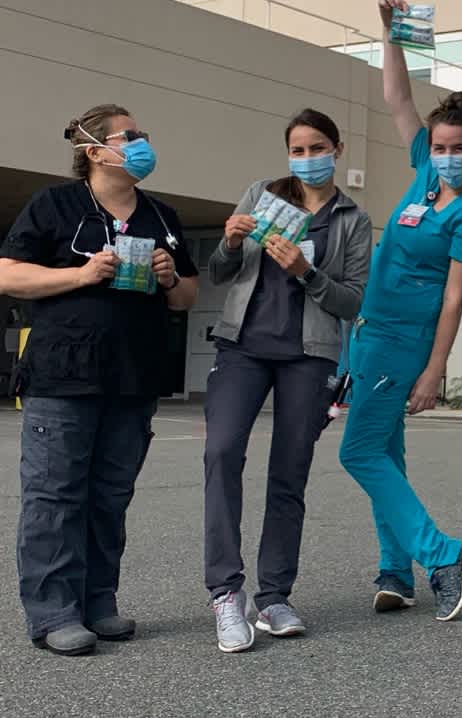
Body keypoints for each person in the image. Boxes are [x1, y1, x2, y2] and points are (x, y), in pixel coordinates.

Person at [0, 104, 198, 656]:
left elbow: (187, 296)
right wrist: (80, 273)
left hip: (133, 379)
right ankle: (52, 613)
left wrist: (168, 278)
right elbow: (8, 274)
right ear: (93, 149)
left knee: (109, 497)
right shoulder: (55, 205)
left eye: (145, 133)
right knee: (55, 496)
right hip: (62, 376)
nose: (143, 143)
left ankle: (98, 602)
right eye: (130, 135)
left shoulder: (161, 215)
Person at [336, 0, 462, 622]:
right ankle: (394, 572)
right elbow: (398, 100)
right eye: (439, 147)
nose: (447, 156)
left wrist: (435, 371)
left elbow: (456, 299)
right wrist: (391, 37)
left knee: (358, 452)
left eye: (458, 147)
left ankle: (440, 552)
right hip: (371, 332)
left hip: (404, 340)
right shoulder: (424, 179)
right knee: (385, 452)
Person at [202, 109, 373, 653]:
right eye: (297, 149)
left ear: (337, 150)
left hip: (310, 355)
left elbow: (353, 299)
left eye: (317, 147)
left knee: (288, 474)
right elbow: (219, 272)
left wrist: (306, 271)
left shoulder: (352, 218)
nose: (307, 159)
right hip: (243, 347)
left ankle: (273, 595)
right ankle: (226, 592)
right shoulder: (261, 193)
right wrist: (230, 241)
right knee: (222, 453)